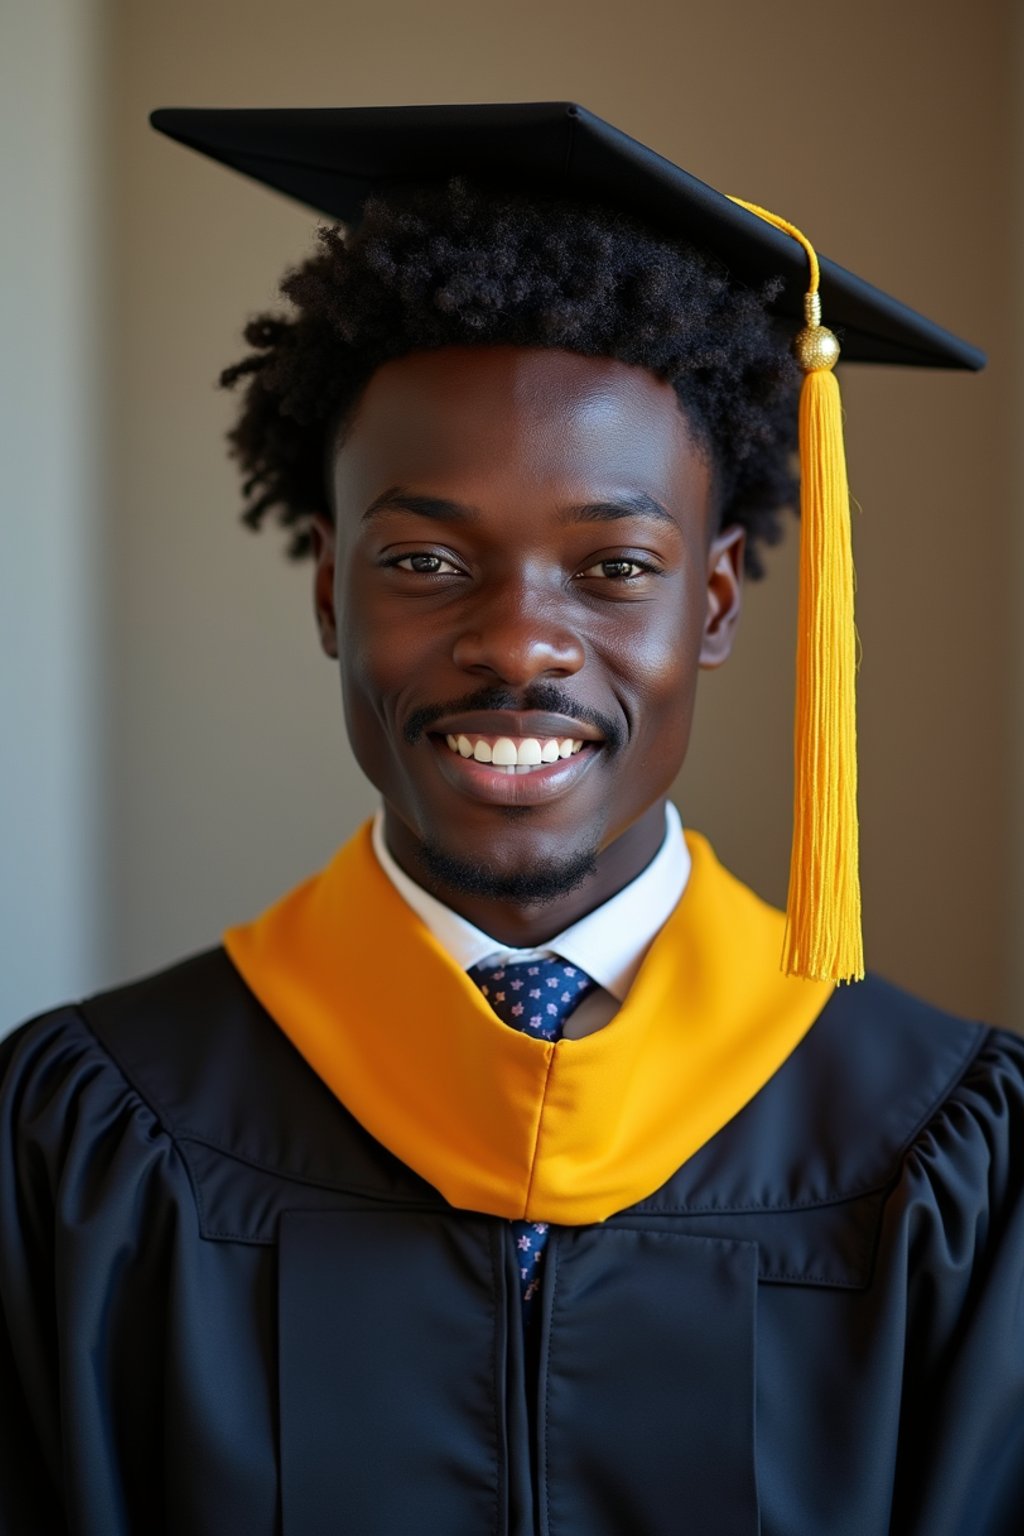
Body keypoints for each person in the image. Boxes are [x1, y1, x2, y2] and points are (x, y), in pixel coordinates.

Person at [1, 103, 1021, 1536]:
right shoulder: (95, 1139)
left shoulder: (942, 1152)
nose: (522, 644)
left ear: (714, 603)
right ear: (328, 592)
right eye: (425, 557)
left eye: (612, 564)